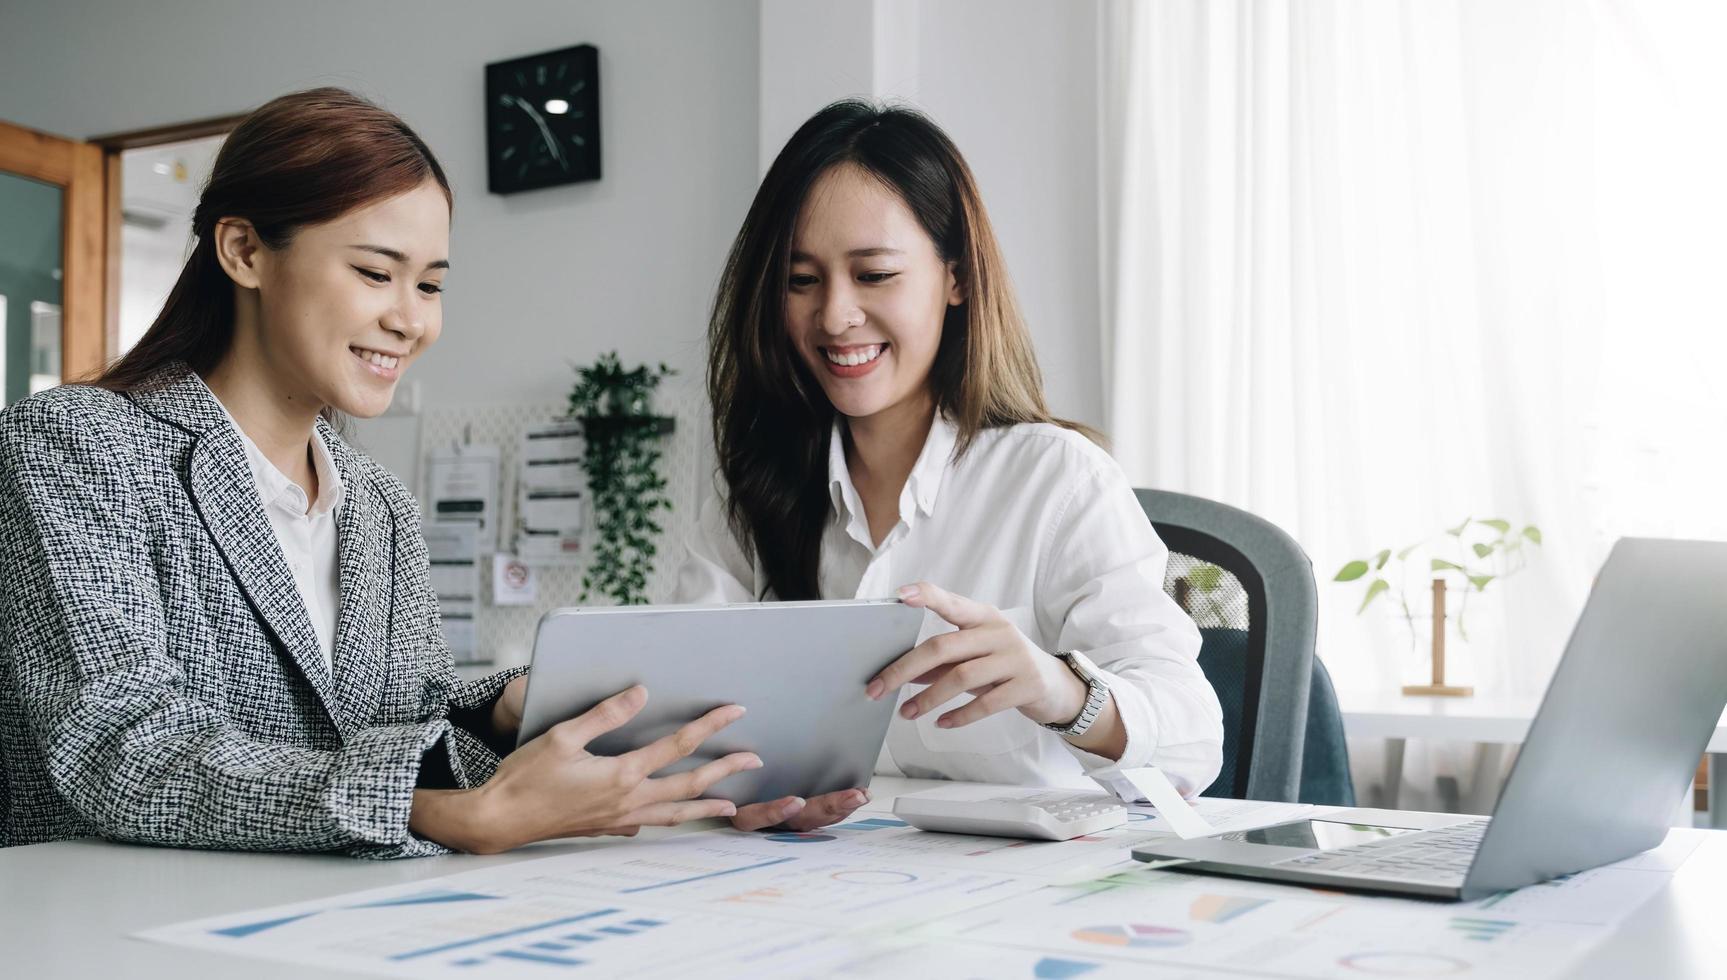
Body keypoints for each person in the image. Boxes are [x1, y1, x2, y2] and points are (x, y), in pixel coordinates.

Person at [0, 88, 755, 857]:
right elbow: (118, 750)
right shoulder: (75, 444)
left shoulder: (376, 502)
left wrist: (508, 710)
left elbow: (405, 718)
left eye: (430, 284)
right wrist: (428, 812)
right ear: (244, 252)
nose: (411, 319)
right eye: (374, 273)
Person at [679, 100, 1225, 833]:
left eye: (873, 274)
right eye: (800, 280)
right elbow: (685, 717)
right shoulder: (748, 489)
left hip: (1019, 901)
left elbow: (1193, 742)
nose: (834, 315)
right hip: (813, 884)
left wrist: (1061, 692)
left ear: (956, 279)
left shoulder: (1056, 478)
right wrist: (736, 781)